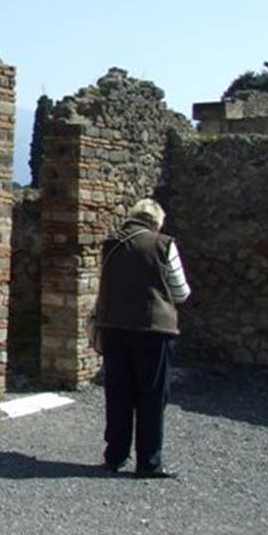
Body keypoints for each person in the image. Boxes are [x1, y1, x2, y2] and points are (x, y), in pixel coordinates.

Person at [95, 198, 191, 479]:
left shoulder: (110, 245)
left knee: (118, 394)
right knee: (151, 396)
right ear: (156, 222)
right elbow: (181, 291)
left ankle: (114, 456)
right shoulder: (164, 244)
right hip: (153, 331)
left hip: (113, 328)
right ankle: (149, 462)